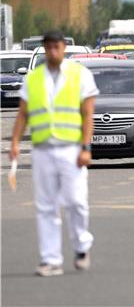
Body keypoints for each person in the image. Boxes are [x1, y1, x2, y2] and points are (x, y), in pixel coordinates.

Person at [9, 31, 98, 277]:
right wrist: (15, 142)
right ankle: (50, 258)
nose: (53, 51)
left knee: (76, 201)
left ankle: (82, 246)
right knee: (46, 206)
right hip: (43, 150)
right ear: (44, 49)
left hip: (71, 149)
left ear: (64, 48)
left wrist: (86, 147)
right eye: (48, 47)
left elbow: (88, 113)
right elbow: (23, 114)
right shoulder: (33, 78)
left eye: (57, 47)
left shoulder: (80, 75)